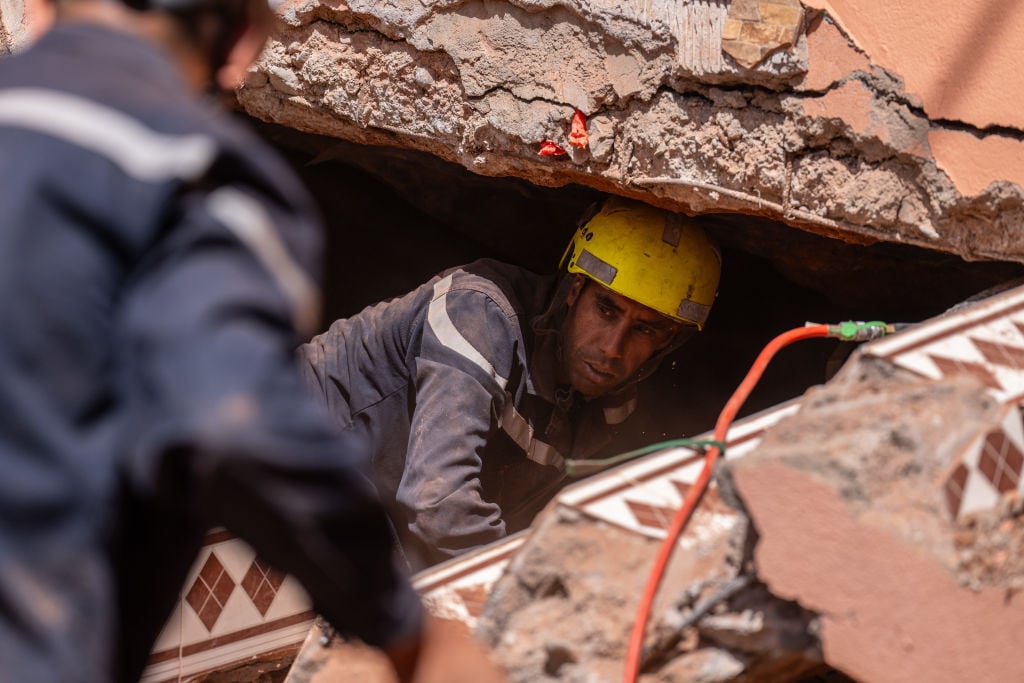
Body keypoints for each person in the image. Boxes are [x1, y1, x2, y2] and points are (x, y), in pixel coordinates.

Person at [0, 1, 505, 682]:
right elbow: (232, 419)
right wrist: (406, 632)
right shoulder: (193, 178)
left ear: (36, 11)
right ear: (241, 46)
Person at [299, 197, 722, 568]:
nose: (613, 348)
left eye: (646, 330)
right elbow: (439, 504)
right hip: (284, 437)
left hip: (377, 501)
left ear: (668, 342)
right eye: (607, 310)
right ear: (575, 290)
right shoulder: (479, 314)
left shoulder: (613, 409)